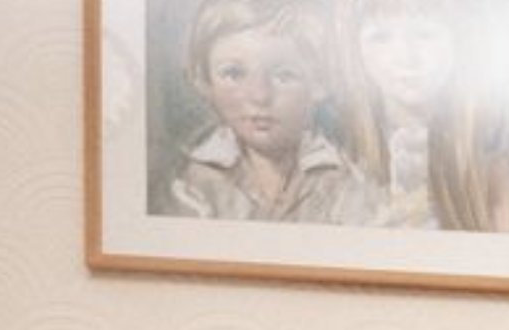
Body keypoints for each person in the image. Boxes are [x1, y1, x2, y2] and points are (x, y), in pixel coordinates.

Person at [327, 0, 509, 233]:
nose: (405, 57)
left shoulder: (492, 163)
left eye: (425, 34)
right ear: (356, 48)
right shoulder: (336, 155)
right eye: (381, 37)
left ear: (460, 40)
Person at [162, 0, 378, 225]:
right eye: (234, 74)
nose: (260, 96)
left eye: (283, 75)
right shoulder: (192, 183)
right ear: (204, 81)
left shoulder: (343, 181)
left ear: (320, 83)